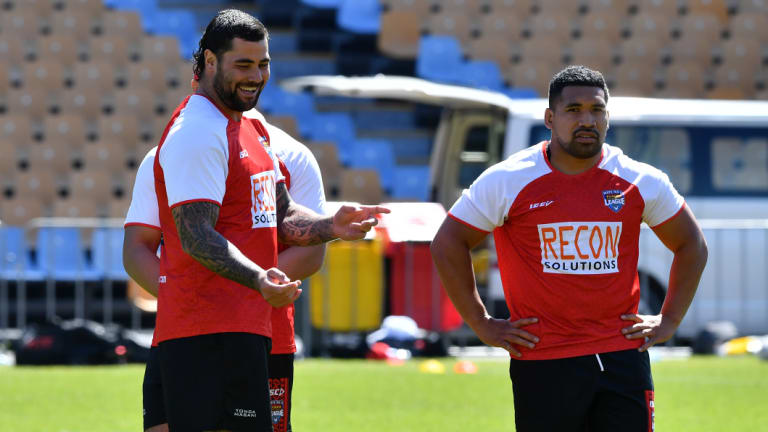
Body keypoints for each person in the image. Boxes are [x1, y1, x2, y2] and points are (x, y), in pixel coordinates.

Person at [146, 9, 387, 431]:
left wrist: (333, 225)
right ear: (208, 62)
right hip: (205, 332)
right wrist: (260, 279)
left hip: (244, 330)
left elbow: (281, 212)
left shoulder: (251, 130)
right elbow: (196, 236)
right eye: (243, 64)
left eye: (263, 64)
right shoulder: (198, 132)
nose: (256, 76)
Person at [430, 65, 708, 431]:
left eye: (597, 110)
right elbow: (447, 242)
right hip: (543, 358)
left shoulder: (640, 179)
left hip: (622, 356)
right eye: (573, 110)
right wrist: (482, 323)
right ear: (550, 117)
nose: (587, 120)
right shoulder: (509, 178)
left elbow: (691, 244)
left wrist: (669, 319)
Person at [124, 111, 326, 431]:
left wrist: (241, 293)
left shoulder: (291, 156)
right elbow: (137, 249)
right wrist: (187, 297)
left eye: (257, 65)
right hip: (183, 329)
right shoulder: (167, 153)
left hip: (265, 334)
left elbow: (312, 252)